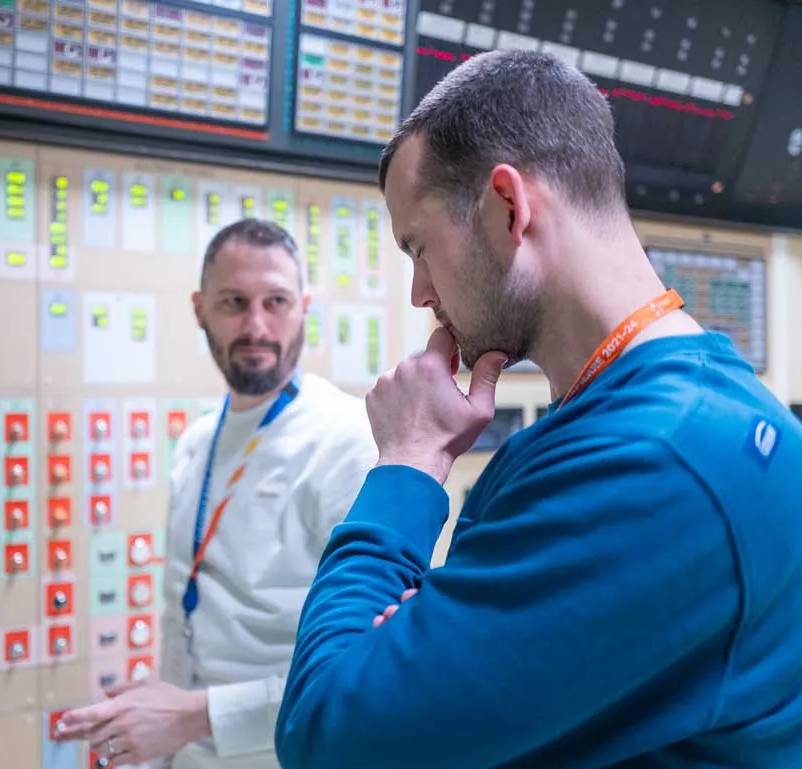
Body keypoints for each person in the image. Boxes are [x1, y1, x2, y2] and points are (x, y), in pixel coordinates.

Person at [274, 49, 802, 768]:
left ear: (508, 207)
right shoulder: (643, 414)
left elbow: (329, 734)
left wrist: (408, 461)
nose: (420, 292)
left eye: (419, 247)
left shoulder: (655, 463)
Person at [54, 218, 379, 768]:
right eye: (233, 302)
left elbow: (368, 667)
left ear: (304, 307)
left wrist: (188, 716)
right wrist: (159, 724)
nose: (256, 325)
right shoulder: (197, 441)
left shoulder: (350, 442)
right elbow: (185, 617)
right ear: (199, 309)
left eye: (276, 301)